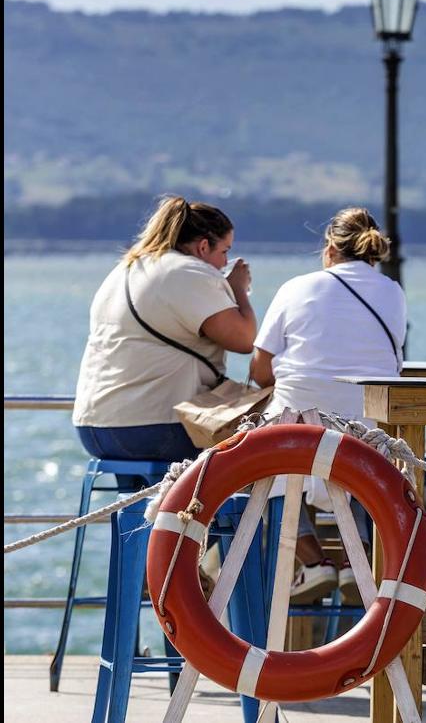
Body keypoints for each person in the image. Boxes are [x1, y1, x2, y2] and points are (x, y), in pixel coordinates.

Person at [250, 207, 406, 602]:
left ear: (330, 248)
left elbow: (260, 369)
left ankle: (313, 561)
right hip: (366, 423)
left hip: (298, 421)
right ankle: (357, 564)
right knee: (351, 466)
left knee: (265, 466)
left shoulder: (296, 287)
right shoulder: (392, 291)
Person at [73, 195, 255, 462]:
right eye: (224, 251)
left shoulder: (128, 267)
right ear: (203, 247)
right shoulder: (189, 272)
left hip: (93, 428)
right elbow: (244, 340)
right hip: (155, 428)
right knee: (265, 444)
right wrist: (239, 289)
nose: (224, 264)